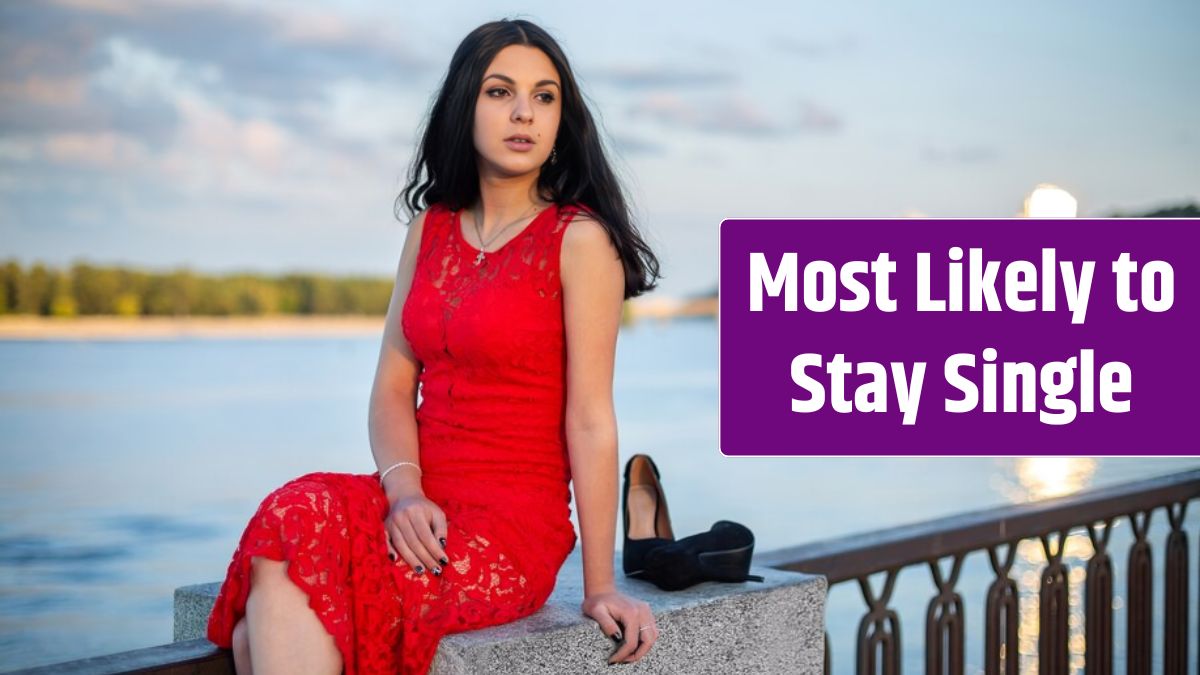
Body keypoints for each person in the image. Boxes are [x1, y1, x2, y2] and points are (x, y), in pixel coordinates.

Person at [205, 18, 662, 675]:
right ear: (464, 104)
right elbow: (392, 387)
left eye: (545, 96)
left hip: (507, 532)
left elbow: (590, 418)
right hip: (417, 502)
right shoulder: (431, 227)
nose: (524, 113)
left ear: (563, 117)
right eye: (500, 92)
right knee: (289, 519)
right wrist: (404, 491)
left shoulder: (580, 240)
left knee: (268, 624)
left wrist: (599, 585)